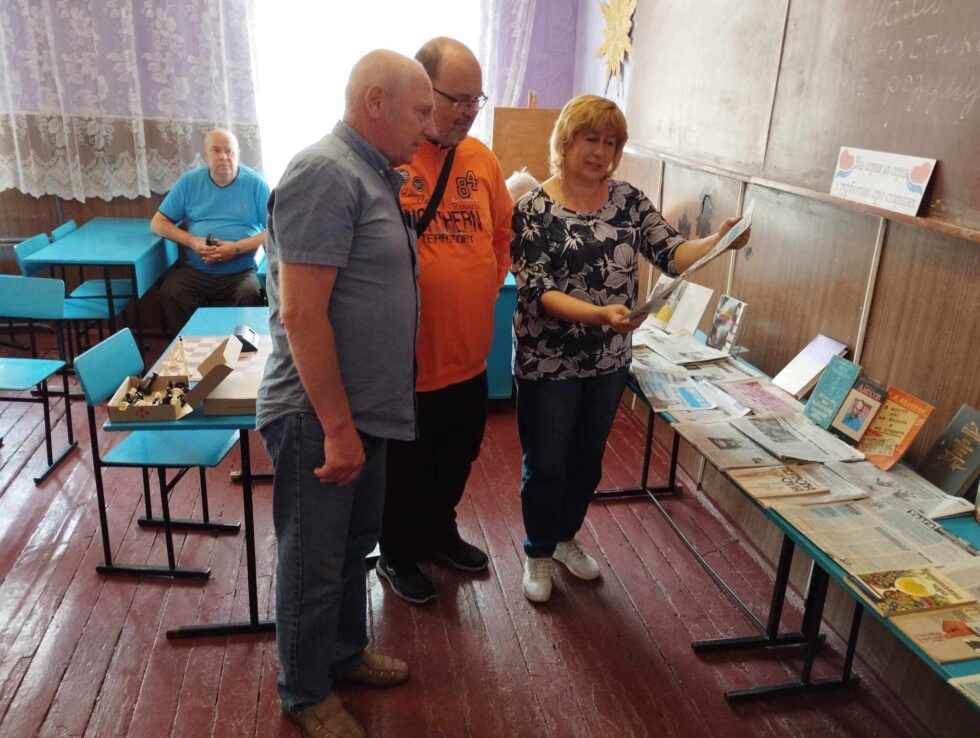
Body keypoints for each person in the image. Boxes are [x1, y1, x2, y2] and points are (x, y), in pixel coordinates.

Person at [255, 50, 436, 738]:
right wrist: (336, 428)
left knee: (356, 547)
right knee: (315, 563)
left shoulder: (373, 174)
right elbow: (302, 314)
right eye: (421, 111)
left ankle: (342, 654)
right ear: (376, 102)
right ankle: (304, 692)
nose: (429, 126)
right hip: (320, 415)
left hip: (364, 412)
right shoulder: (324, 173)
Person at [511, 94, 751, 603]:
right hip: (547, 360)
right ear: (565, 141)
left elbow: (672, 253)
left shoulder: (628, 201)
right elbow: (538, 292)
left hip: (609, 360)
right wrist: (601, 315)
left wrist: (716, 242)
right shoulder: (532, 209)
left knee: (587, 460)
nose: (601, 152)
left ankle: (565, 538)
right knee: (547, 462)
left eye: (611, 143)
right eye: (590, 139)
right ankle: (538, 551)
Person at [376, 37, 513, 605]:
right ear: (421, 90)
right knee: (403, 470)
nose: (468, 111)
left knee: (457, 459)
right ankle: (396, 553)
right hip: (407, 365)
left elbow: (501, 235)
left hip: (469, 358)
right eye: (456, 98)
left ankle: (437, 532)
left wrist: (476, 285)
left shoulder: (482, 160)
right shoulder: (391, 156)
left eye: (476, 99)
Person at [151, 128, 268, 333]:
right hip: (198, 270)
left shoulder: (255, 183)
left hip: (243, 270)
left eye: (229, 151)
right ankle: (193, 341)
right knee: (170, 292)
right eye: (216, 150)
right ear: (205, 154)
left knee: (250, 294)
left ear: (237, 154)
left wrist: (236, 248)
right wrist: (193, 242)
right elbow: (158, 223)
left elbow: (274, 230)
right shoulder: (189, 182)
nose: (223, 156)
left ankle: (241, 346)